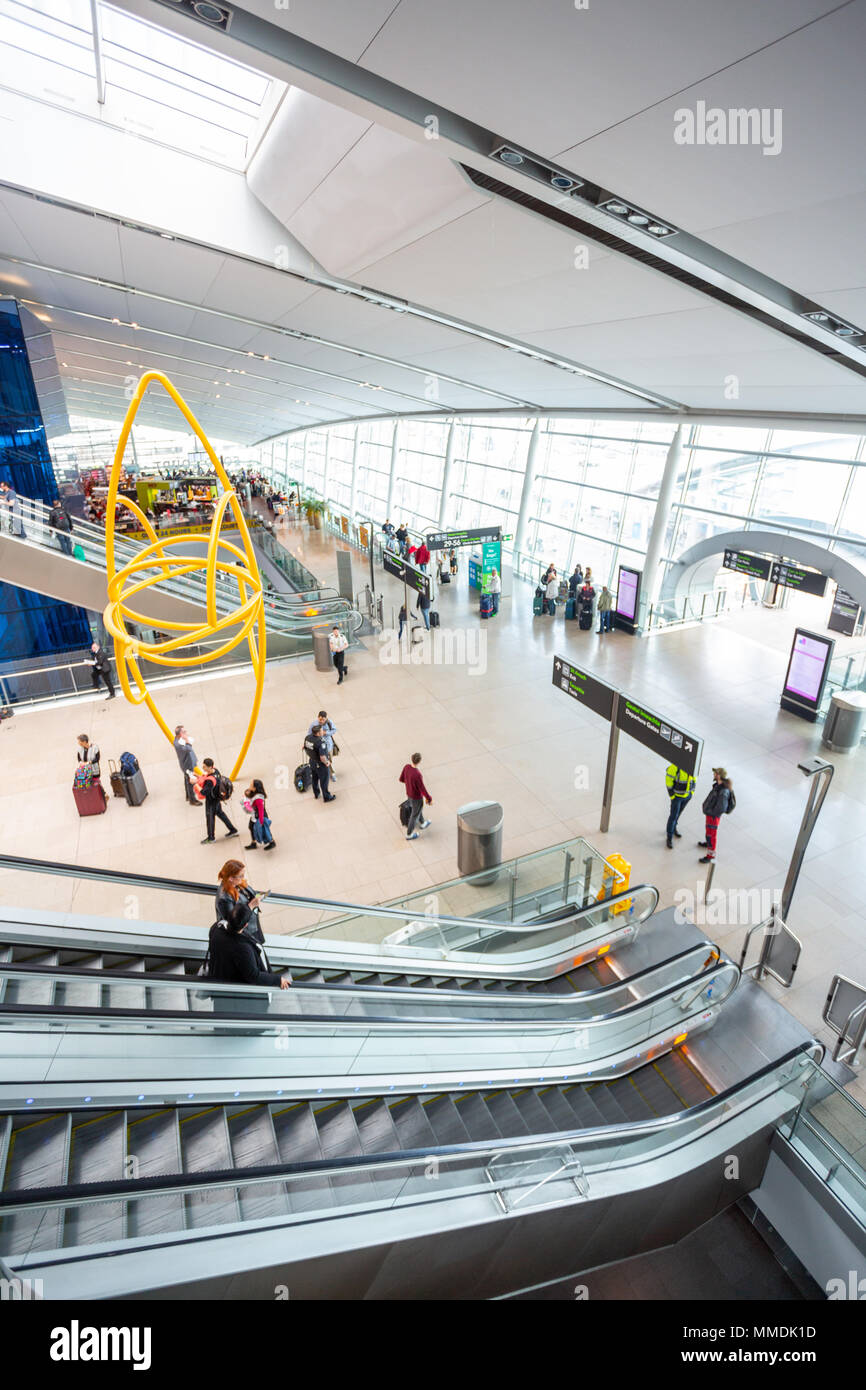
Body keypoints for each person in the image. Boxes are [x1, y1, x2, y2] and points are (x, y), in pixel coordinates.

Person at [208, 903, 290, 991]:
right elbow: (253, 976)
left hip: (219, 974)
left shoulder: (216, 927)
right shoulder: (242, 948)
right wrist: (277, 980)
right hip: (233, 987)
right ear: (246, 925)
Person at [192, 758, 239, 843]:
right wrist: (198, 776)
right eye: (203, 766)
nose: (203, 768)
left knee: (210, 818)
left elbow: (203, 792)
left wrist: (195, 784)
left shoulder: (210, 781)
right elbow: (206, 777)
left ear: (210, 767)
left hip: (211, 801)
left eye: (205, 767)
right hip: (217, 798)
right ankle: (233, 830)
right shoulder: (216, 771)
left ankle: (211, 838)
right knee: (221, 814)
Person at [699, 767, 734, 863]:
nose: (714, 774)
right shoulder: (718, 786)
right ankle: (708, 842)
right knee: (708, 832)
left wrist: (711, 812)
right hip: (710, 814)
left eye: (715, 773)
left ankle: (710, 855)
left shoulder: (723, 791)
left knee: (712, 834)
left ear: (719, 776)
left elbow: (721, 808)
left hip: (713, 816)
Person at [400, 752, 432, 841]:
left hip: (409, 794)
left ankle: (422, 823)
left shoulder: (406, 767)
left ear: (412, 759)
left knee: (418, 810)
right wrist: (429, 798)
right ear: (419, 761)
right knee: (414, 815)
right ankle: (409, 834)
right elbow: (422, 788)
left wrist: (409, 785)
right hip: (416, 798)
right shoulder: (417, 774)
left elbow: (401, 779)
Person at [665, 764, 696, 849]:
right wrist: (672, 796)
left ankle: (674, 827)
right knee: (673, 816)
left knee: (678, 814)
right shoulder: (674, 767)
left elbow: (694, 779)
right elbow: (668, 782)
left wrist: (691, 793)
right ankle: (669, 837)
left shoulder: (692, 766)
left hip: (687, 796)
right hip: (677, 797)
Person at [303, 724, 336, 802]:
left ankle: (316, 793)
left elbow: (304, 747)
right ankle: (327, 797)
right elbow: (322, 757)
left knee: (314, 778)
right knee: (324, 780)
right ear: (318, 733)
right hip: (320, 765)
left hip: (312, 761)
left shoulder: (308, 738)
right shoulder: (321, 742)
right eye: (321, 730)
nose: (323, 731)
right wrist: (327, 762)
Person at [243, 779, 275, 850]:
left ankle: (272, 842)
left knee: (265, 829)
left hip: (260, 816)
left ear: (255, 788)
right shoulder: (254, 792)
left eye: (251, 784)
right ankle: (253, 843)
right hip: (255, 815)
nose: (250, 785)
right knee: (251, 827)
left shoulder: (259, 799)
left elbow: (261, 811)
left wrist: (261, 822)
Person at [173, 725, 199, 805]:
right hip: (187, 765)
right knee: (191, 782)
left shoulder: (179, 740)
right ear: (180, 734)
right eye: (184, 732)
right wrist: (187, 740)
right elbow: (188, 748)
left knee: (187, 779)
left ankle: (188, 796)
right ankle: (192, 800)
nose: (186, 733)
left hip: (187, 763)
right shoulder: (178, 744)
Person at [308, 711, 338, 781]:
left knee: (328, 761)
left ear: (326, 718)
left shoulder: (329, 722)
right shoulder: (314, 724)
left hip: (328, 746)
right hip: (318, 747)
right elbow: (309, 734)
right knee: (320, 761)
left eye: (323, 719)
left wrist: (326, 733)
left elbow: (334, 730)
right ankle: (326, 773)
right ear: (318, 717)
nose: (321, 721)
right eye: (320, 719)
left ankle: (331, 773)